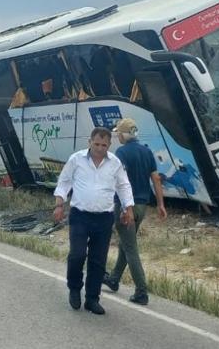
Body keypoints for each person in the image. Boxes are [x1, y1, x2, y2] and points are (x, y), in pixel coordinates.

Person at [54, 127, 135, 315]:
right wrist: (59, 204)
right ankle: (74, 288)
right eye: (96, 144)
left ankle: (92, 298)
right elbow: (64, 182)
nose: (99, 148)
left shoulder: (115, 163)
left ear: (109, 145)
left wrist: (128, 209)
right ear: (89, 142)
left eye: (104, 145)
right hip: (80, 216)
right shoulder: (76, 159)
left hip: (104, 218)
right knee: (77, 254)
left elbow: (123, 186)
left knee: (98, 261)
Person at [103, 118, 167, 306]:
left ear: (123, 135)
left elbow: (117, 181)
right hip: (142, 206)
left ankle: (141, 291)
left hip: (125, 206)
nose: (117, 136)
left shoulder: (121, 153)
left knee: (130, 248)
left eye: (118, 133)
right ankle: (114, 278)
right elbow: (156, 179)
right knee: (126, 243)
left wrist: (120, 206)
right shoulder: (147, 151)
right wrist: (161, 204)